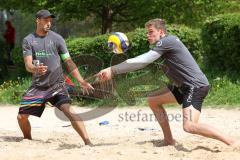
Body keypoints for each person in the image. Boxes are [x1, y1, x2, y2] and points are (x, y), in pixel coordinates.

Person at [97, 18, 240, 147]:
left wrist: (113, 70)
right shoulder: (164, 44)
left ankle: (232, 141)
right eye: (147, 32)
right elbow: (142, 62)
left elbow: (143, 61)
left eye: (151, 32)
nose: (148, 35)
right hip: (183, 86)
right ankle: (169, 140)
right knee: (153, 100)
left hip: (195, 86)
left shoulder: (167, 41)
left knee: (189, 126)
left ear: (161, 32)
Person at [17, 9, 94, 146]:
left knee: (69, 111)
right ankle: (27, 140)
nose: (49, 23)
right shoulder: (28, 40)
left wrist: (81, 81)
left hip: (57, 85)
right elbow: (28, 64)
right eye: (46, 20)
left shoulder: (57, 38)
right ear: (37, 20)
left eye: (50, 20)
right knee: (21, 117)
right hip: (38, 86)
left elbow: (68, 62)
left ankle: (88, 142)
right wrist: (35, 69)